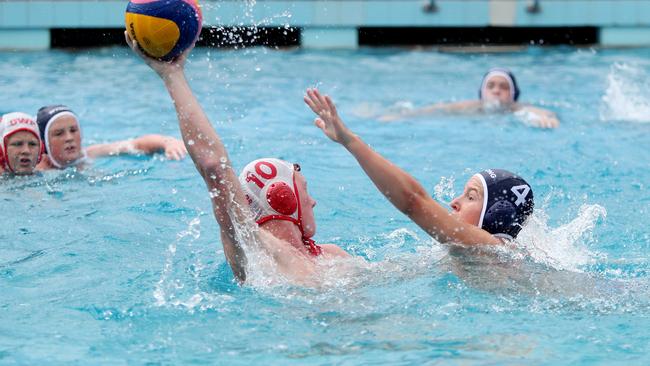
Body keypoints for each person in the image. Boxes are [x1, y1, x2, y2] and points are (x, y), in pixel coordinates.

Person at [125, 32, 349, 285]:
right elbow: (214, 167)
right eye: (305, 191)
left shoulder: (333, 256)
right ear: (282, 197)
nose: (313, 201)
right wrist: (172, 75)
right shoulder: (255, 250)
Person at [305, 88, 534, 245]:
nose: (454, 202)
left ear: (497, 215)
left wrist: (350, 141)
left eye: (470, 197)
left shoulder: (490, 249)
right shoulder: (477, 251)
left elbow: (414, 201)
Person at [379, 68, 559, 128]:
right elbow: (439, 109)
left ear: (513, 95)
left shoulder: (516, 108)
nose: (496, 91)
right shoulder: (471, 106)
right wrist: (402, 116)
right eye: (491, 86)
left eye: (503, 87)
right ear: (482, 93)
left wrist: (548, 119)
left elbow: (544, 112)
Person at [35, 105, 188, 170]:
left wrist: (168, 142)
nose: (69, 138)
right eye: (59, 133)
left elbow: (137, 144)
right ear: (44, 144)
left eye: (73, 130)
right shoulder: (38, 172)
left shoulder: (89, 154)